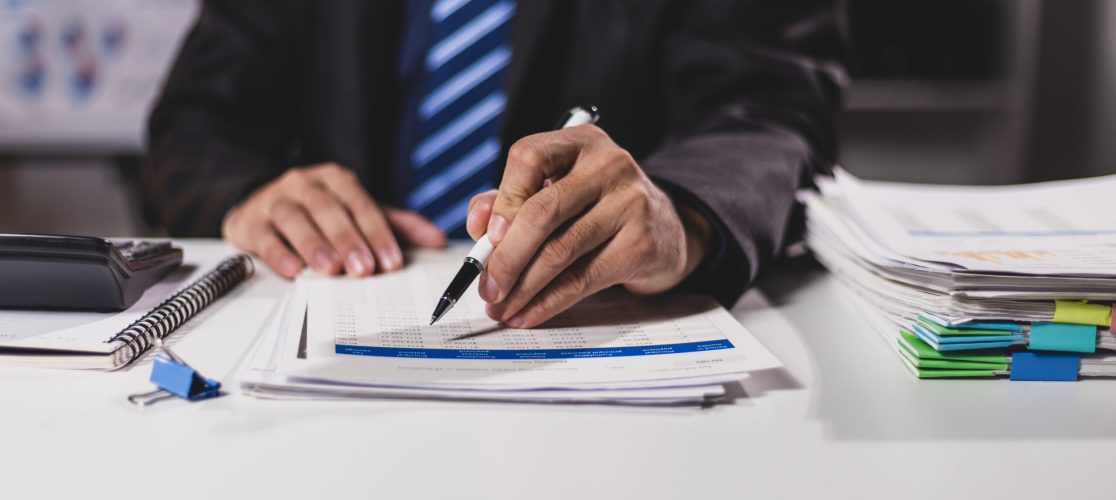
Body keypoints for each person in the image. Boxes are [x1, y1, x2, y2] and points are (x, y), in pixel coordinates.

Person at [144, 0, 846, 328]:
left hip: (615, 350)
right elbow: (199, 116)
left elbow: (771, 111)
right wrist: (250, 196)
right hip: (331, 305)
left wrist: (679, 212)